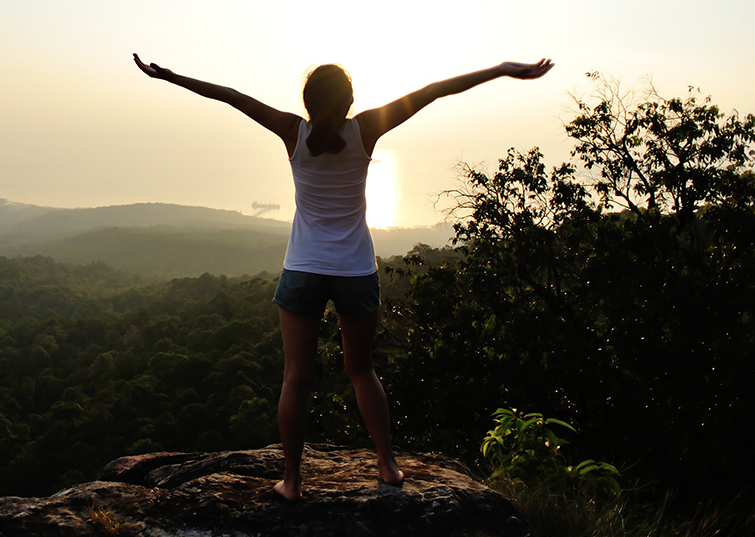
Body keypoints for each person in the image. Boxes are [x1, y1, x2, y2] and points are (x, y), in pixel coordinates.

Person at [133, 52, 553, 499]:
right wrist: (502, 70)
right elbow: (432, 92)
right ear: (350, 101)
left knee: (296, 377)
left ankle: (292, 482)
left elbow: (231, 97)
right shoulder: (365, 130)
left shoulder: (293, 131)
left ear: (307, 102)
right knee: (362, 369)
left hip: (303, 270)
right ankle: (387, 464)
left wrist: (171, 76)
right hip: (355, 270)